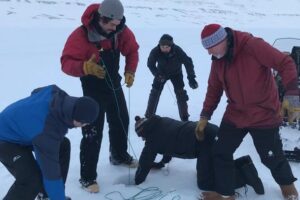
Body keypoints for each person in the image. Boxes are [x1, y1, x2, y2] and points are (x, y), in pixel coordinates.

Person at [196, 24, 299, 200]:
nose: (209, 53)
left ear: (223, 41)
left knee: (271, 157)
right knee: (221, 151)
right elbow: (214, 89)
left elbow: (285, 62)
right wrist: (205, 116)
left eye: (210, 48)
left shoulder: (253, 46)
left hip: (264, 114)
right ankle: (226, 194)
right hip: (236, 113)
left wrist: (293, 97)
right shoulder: (218, 60)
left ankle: (288, 187)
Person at [61, 0, 139, 193]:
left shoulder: (119, 30)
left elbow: (132, 50)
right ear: (101, 19)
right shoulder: (81, 35)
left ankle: (118, 155)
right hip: (93, 90)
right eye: (112, 24)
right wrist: (84, 67)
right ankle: (87, 178)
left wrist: (130, 70)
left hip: (114, 84)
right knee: (93, 132)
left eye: (118, 24)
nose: (116, 28)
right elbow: (66, 62)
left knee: (121, 119)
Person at [0, 85, 99, 200]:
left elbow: (37, 92)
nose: (83, 127)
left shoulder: (56, 93)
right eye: (83, 124)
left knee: (63, 145)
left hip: (24, 132)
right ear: (76, 119)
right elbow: (51, 172)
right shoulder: (47, 132)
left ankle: (46, 195)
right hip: (5, 140)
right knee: (31, 180)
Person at [134, 115, 264, 195]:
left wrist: (136, 182)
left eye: (141, 136)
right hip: (209, 131)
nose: (142, 139)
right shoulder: (161, 122)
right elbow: (169, 142)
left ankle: (245, 175)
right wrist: (162, 163)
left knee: (205, 183)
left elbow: (144, 162)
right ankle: (243, 163)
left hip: (204, 142)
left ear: (144, 132)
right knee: (216, 167)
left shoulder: (152, 140)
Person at [145, 34, 198, 121]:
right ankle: (149, 116)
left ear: (171, 46)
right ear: (159, 45)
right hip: (161, 73)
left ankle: (185, 118)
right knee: (155, 92)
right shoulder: (155, 51)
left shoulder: (177, 50)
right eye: (163, 47)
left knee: (181, 93)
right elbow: (150, 64)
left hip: (176, 74)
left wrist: (191, 78)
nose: (165, 49)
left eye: (167, 47)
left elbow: (188, 62)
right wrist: (157, 74)